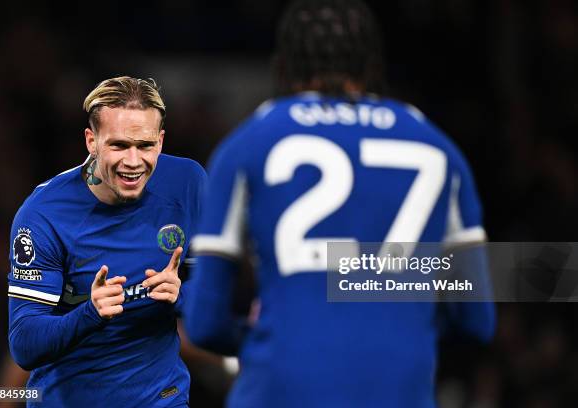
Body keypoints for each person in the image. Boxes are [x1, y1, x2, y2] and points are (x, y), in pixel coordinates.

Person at [185, 1, 495, 407]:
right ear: (373, 67)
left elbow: (205, 324)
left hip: (277, 389)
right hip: (399, 392)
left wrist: (258, 337)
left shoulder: (249, 141)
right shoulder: (437, 146)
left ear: (282, 67)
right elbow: (478, 322)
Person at [7, 76, 206, 407]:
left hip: (162, 398)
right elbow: (24, 345)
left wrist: (181, 296)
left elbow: (214, 299)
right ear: (91, 141)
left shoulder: (188, 183)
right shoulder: (44, 214)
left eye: (144, 145)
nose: (132, 161)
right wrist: (90, 313)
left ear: (160, 141)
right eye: (118, 145)